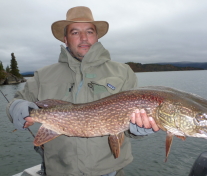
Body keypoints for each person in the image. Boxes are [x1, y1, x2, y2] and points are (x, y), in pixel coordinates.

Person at [6, 6, 159, 176]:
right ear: (65, 39)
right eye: (75, 32)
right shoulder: (43, 75)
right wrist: (16, 108)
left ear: (97, 36)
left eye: (89, 31)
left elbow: (130, 127)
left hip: (109, 172)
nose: (84, 38)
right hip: (58, 171)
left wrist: (139, 129)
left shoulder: (123, 73)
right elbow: (16, 102)